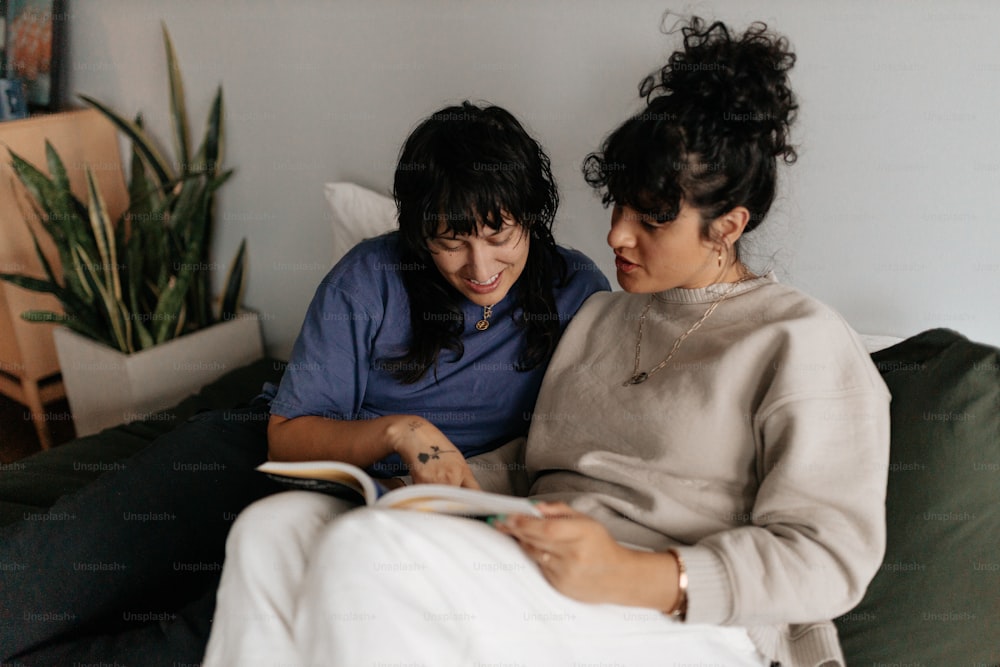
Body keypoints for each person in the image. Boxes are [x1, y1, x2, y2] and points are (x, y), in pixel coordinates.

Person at [265, 17, 891, 667]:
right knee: (275, 533)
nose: (618, 236)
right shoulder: (599, 316)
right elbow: (535, 462)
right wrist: (437, 488)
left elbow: (830, 559)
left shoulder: (800, 339)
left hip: (683, 612)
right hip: (539, 568)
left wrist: (633, 573)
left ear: (726, 226)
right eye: (615, 206)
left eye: (649, 219)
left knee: (361, 555)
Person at [0, 102, 608, 666]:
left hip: (373, 507)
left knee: (200, 643)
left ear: (533, 218)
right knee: (38, 581)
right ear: (422, 235)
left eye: (500, 237)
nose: (480, 268)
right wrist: (404, 430)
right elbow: (286, 436)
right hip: (264, 450)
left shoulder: (576, 290)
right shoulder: (370, 278)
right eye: (452, 242)